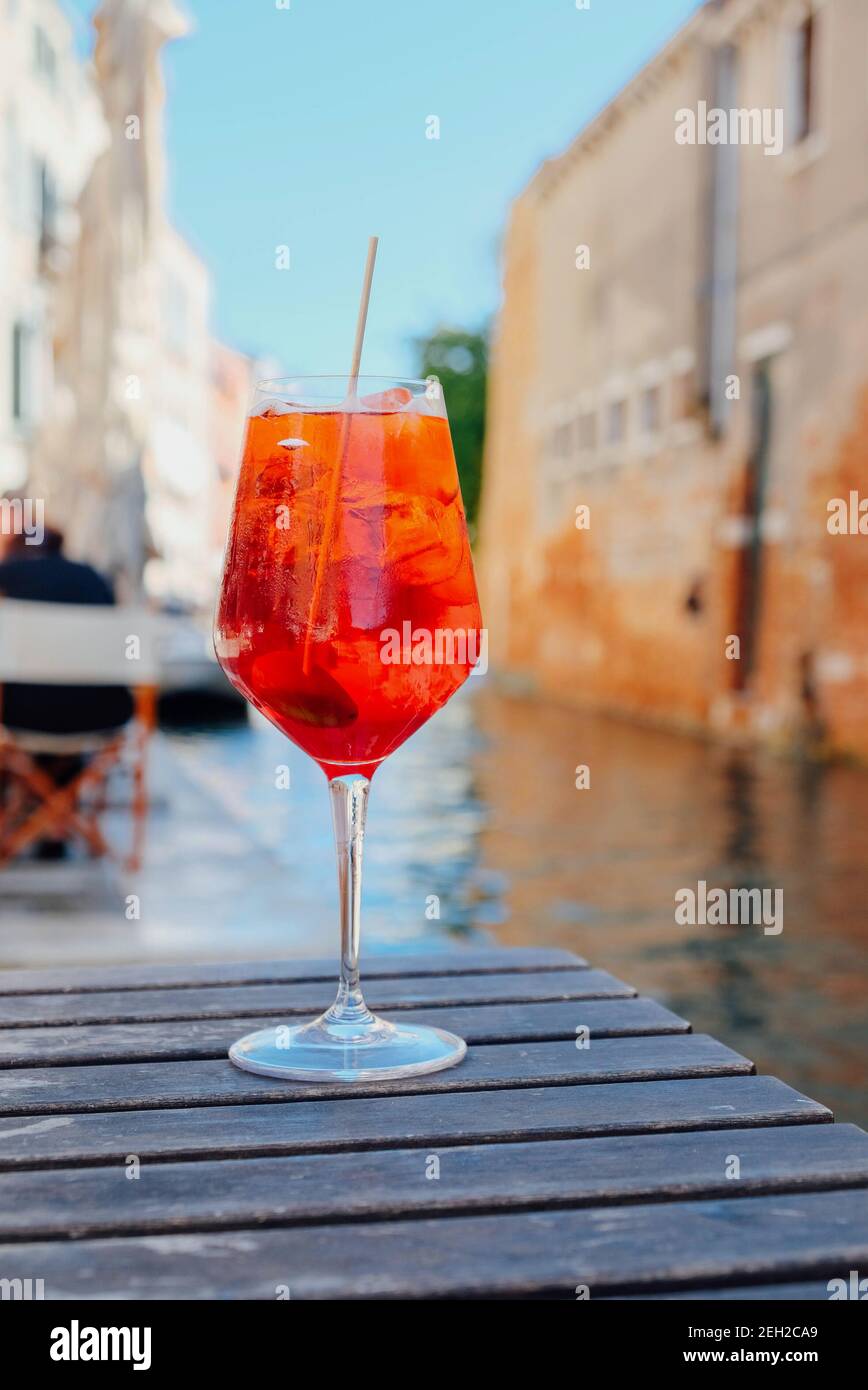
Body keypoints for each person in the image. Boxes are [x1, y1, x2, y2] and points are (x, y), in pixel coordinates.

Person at [0, 520, 134, 857]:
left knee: (25, 712)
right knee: (61, 709)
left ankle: (35, 815)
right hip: (98, 714)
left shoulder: (7, 575)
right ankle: (58, 817)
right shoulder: (92, 578)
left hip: (20, 714)